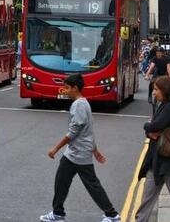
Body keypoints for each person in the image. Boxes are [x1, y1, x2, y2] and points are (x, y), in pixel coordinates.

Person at [39, 74, 121, 222]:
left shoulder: (79, 105)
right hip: (73, 153)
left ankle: (112, 214)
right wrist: (95, 149)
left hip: (79, 153)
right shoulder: (83, 103)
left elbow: (73, 132)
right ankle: (58, 213)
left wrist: (55, 148)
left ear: (75, 88)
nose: (64, 90)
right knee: (61, 181)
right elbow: (88, 130)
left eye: (67, 88)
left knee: (92, 185)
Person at [134, 76, 170, 221]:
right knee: (147, 198)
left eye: (157, 90)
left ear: (166, 90)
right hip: (156, 160)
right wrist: (151, 130)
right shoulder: (163, 105)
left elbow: (152, 126)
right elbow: (152, 131)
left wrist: (149, 127)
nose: (154, 93)